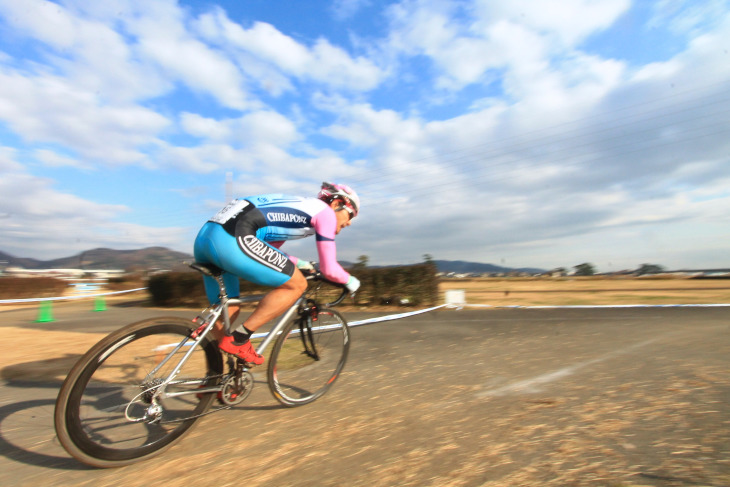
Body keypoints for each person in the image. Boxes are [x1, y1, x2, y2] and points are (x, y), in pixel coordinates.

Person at [193, 182, 361, 365]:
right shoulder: (326, 213)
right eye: (351, 214)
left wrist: (303, 264)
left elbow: (270, 252)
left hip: (206, 237)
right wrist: (351, 281)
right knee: (297, 285)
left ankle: (217, 379)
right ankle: (240, 339)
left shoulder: (300, 207)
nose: (350, 222)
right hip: (233, 237)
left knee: (228, 310)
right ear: (337, 204)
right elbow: (329, 269)